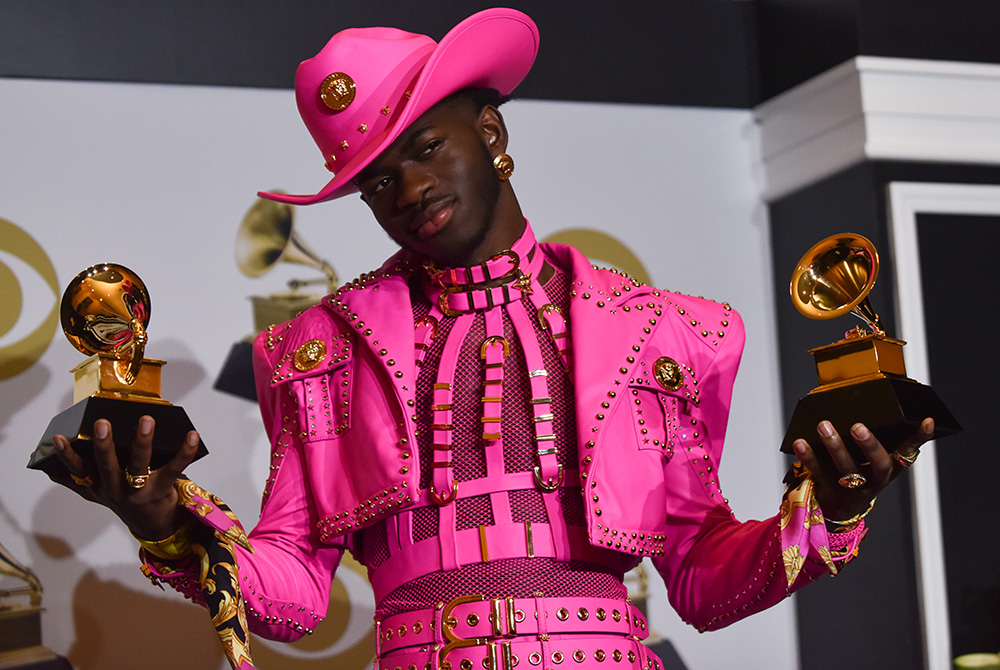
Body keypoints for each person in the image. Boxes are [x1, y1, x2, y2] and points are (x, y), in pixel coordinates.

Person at [48, 8, 934, 670]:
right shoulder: (317, 355)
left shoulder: (669, 333)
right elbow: (295, 594)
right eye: (379, 181)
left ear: (492, 131)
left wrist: (832, 509)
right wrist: (169, 525)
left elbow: (701, 578)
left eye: (428, 148)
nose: (409, 191)